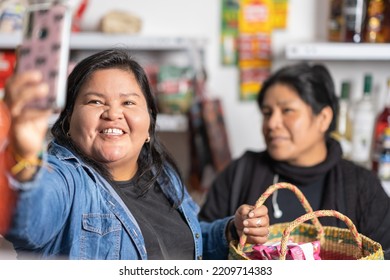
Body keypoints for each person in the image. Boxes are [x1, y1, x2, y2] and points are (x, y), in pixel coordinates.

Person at [3, 49, 269, 260]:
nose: (113, 113)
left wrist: (232, 230)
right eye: (95, 101)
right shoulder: (64, 179)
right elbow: (26, 222)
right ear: (68, 121)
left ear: (149, 127)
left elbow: (190, 242)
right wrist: (23, 157)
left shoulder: (163, 176)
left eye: (128, 102)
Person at [199, 62, 390, 259]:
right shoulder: (240, 172)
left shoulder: (362, 186)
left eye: (287, 110)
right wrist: (232, 229)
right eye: (267, 113)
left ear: (323, 118)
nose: (272, 123)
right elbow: (195, 242)